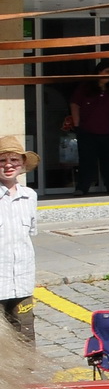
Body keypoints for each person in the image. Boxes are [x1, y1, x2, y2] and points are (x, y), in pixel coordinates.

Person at [0, 136, 39, 344]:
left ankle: (27, 374)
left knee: (25, 332)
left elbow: (30, 232)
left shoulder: (30, 196)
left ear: (23, 164)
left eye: (14, 160)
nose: (8, 165)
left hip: (22, 280)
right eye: (2, 160)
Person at [67, 63, 109, 194]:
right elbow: (74, 104)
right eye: (107, 71)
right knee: (87, 161)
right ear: (98, 72)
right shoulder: (85, 88)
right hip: (87, 131)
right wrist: (76, 123)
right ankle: (82, 188)